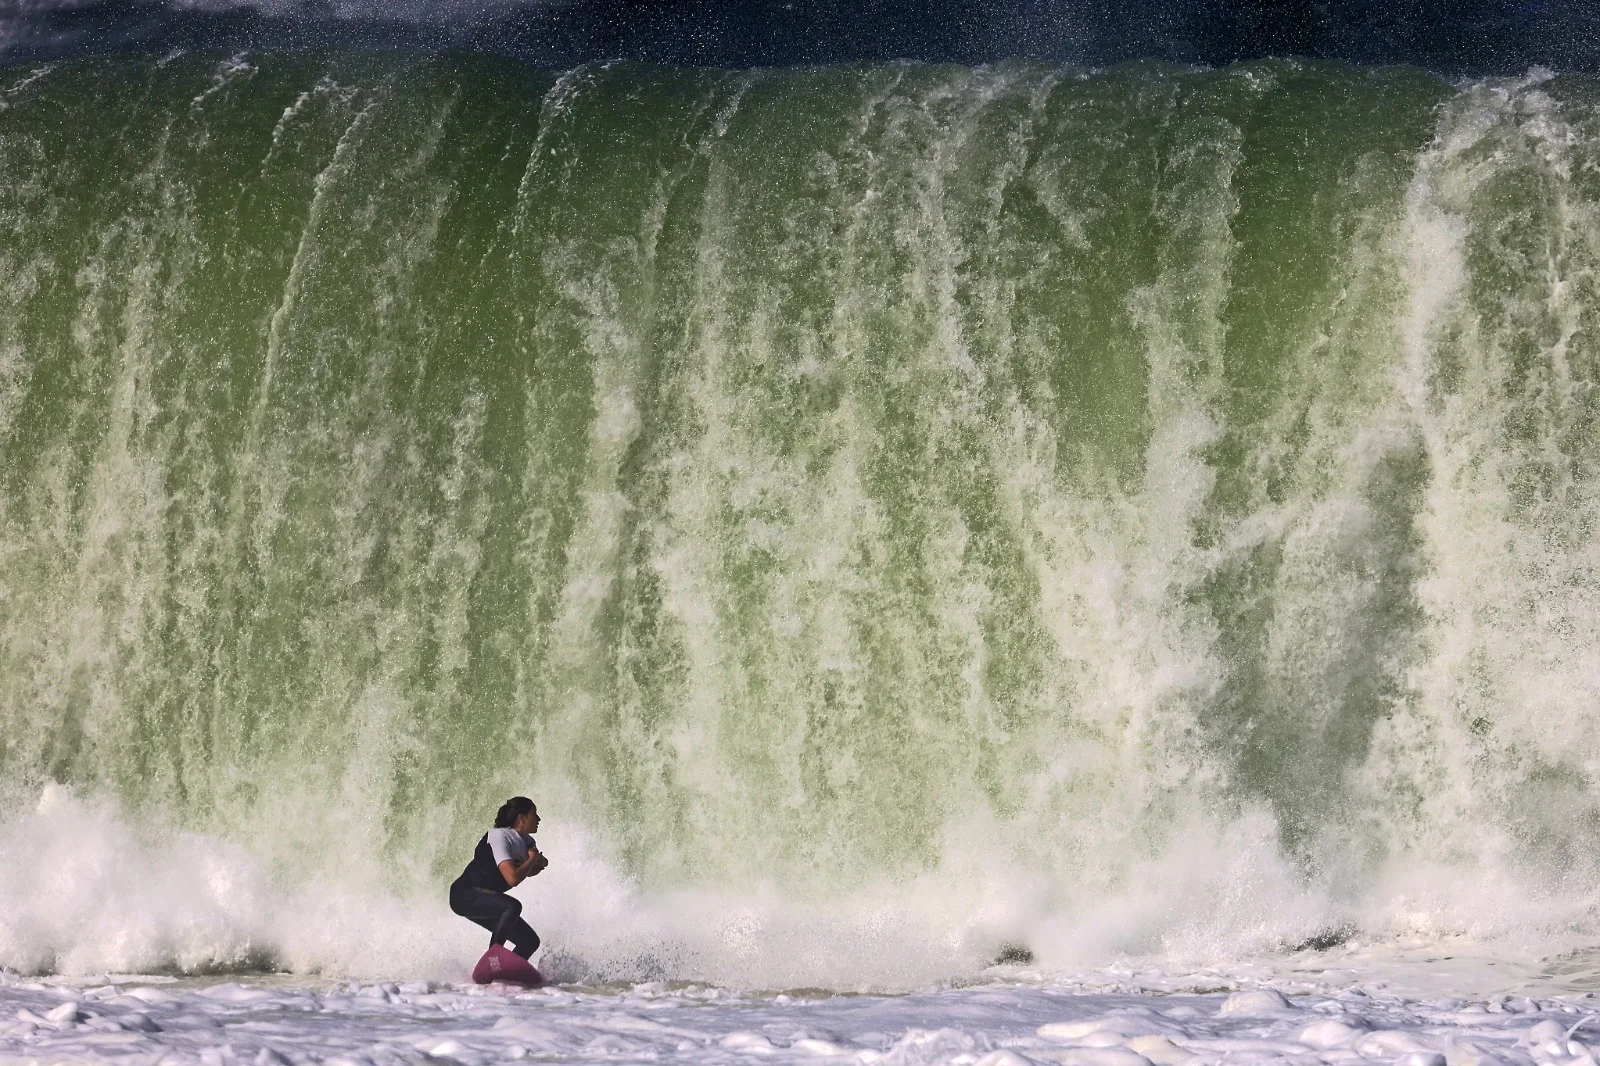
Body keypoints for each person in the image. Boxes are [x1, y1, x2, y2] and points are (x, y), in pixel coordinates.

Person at [449, 797, 548, 959]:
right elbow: (513, 879)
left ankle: (505, 975)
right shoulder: (499, 837)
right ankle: (492, 961)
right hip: (464, 895)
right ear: (522, 818)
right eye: (534, 814)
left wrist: (537, 861)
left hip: (486, 898)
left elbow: (531, 870)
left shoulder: (528, 842)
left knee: (529, 941)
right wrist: (532, 860)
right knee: (512, 906)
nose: (538, 819)